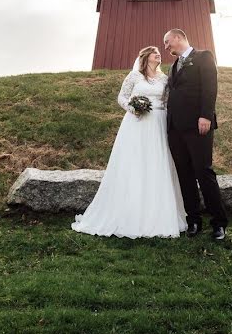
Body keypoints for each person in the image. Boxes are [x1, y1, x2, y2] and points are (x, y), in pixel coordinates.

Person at [71, 46, 188, 238]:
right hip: (137, 123)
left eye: (159, 52)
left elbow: (167, 101)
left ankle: (159, 214)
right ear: (145, 57)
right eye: (154, 52)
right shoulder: (134, 76)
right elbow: (122, 97)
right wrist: (133, 108)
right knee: (135, 163)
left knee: (157, 163)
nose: (159, 54)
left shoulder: (164, 79)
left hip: (158, 123)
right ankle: (129, 212)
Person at [163, 28, 229, 240]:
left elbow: (210, 87)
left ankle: (219, 222)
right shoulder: (173, 66)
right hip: (175, 129)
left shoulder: (203, 56)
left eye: (167, 41)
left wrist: (206, 116)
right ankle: (193, 220)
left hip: (197, 125)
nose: (166, 47)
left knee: (203, 172)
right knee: (185, 175)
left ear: (178, 37)